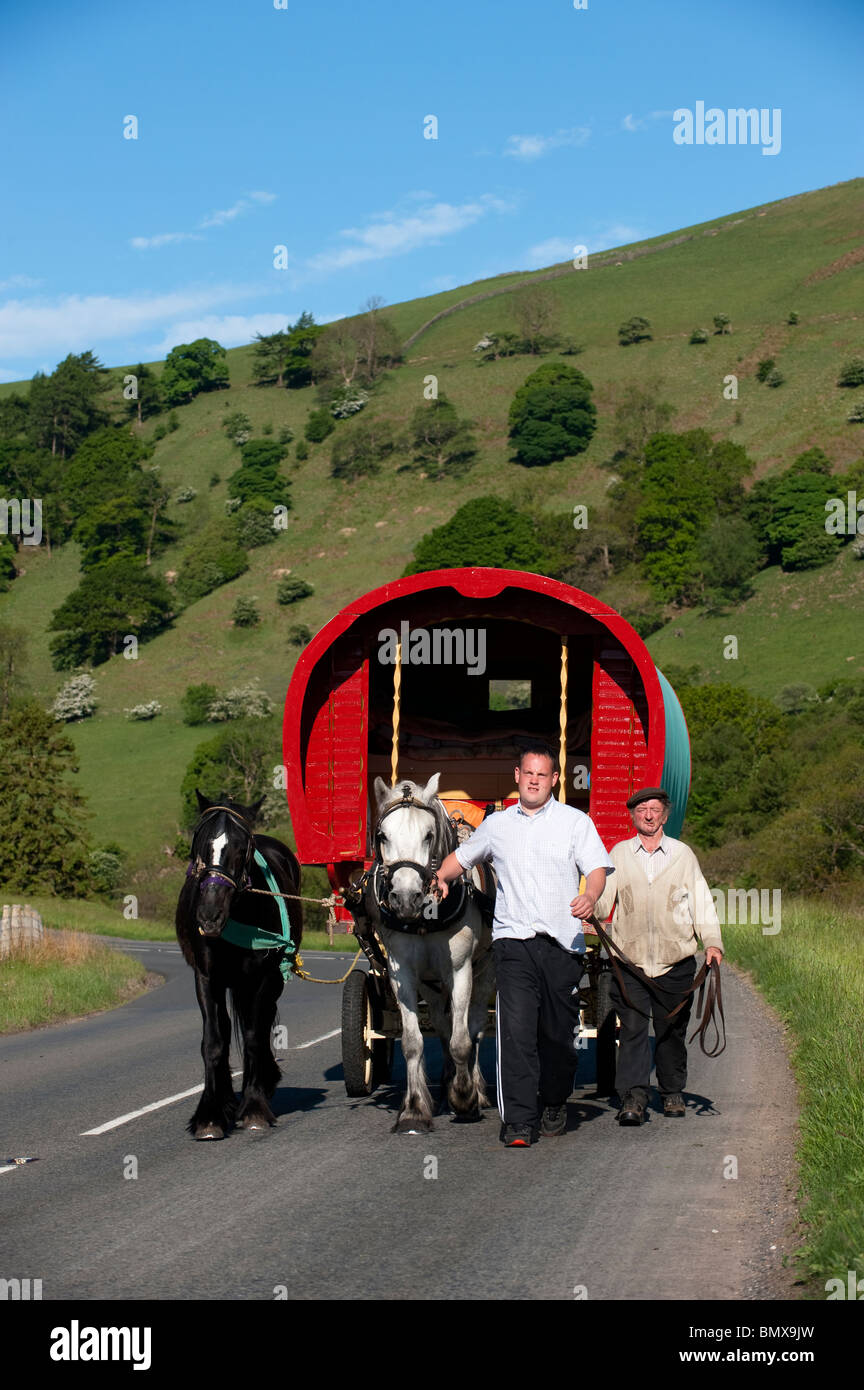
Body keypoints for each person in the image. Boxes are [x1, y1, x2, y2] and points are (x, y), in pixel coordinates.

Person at [432, 744, 613, 1147]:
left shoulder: (574, 822)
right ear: (517, 776)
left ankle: (553, 1100)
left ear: (553, 780)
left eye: (542, 774)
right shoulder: (497, 826)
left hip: (562, 945)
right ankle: (518, 1120)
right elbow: (460, 858)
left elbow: (596, 870)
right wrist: (443, 877)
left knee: (558, 1037)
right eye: (528, 773)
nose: (534, 780)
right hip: (513, 945)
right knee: (515, 1032)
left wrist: (591, 895)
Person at [592, 787, 724, 1126]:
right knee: (634, 1028)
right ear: (633, 816)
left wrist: (711, 942)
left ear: (664, 815)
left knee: (670, 1029)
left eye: (654, 810)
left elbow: (701, 901)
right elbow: (605, 897)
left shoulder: (683, 855)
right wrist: (589, 912)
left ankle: (671, 1092)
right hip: (630, 962)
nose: (648, 816)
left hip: (675, 960)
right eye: (641, 810)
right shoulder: (619, 854)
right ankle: (634, 1098)